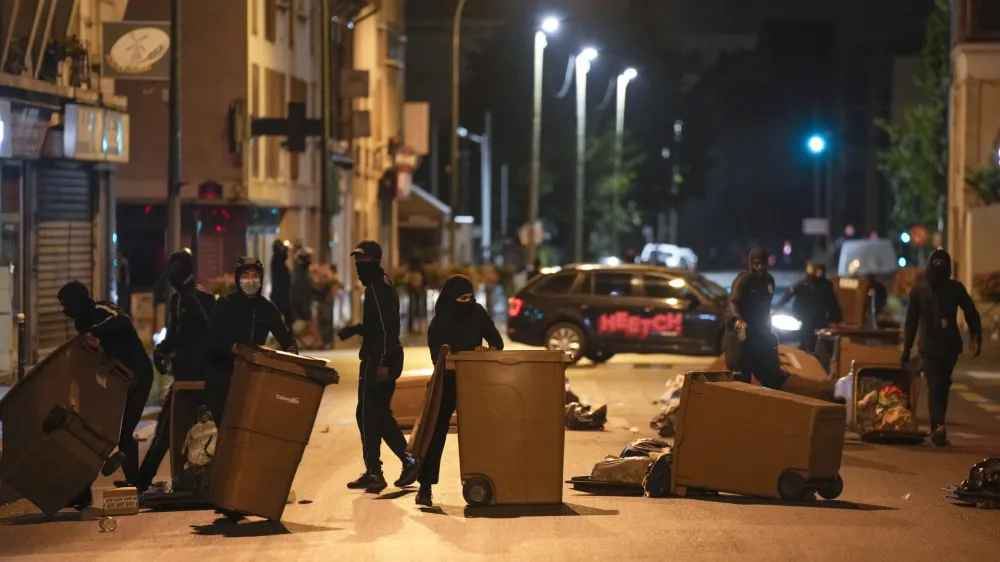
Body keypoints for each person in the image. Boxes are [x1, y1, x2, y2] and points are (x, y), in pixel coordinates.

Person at [58, 281, 154, 508]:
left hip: (138, 376)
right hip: (114, 381)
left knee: (124, 433)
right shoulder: (80, 323)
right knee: (95, 435)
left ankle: (136, 485)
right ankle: (83, 493)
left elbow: (122, 320)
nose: (64, 310)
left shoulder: (101, 310)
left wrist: (96, 331)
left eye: (66, 304)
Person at [338, 240, 420, 493]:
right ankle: (401, 463)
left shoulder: (376, 288)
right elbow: (379, 325)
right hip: (384, 354)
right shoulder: (380, 284)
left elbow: (386, 328)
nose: (358, 266)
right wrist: (355, 330)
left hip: (380, 357)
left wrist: (382, 361)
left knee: (368, 414)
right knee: (376, 414)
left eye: (363, 261)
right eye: (356, 261)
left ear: (374, 261)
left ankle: (380, 470)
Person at [416, 274, 504, 507]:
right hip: (448, 382)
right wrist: (457, 357)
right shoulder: (439, 323)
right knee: (436, 432)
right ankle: (425, 487)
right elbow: (439, 359)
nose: (468, 301)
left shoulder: (477, 313)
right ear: (451, 298)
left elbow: (497, 342)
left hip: (476, 382)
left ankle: (490, 479)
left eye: (470, 297)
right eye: (462, 297)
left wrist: (485, 350)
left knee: (480, 431)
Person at [137, 249, 216, 492]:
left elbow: (212, 332)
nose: (171, 273)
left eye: (176, 268)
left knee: (171, 430)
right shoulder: (178, 298)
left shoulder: (197, 297)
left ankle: (144, 481)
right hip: (184, 376)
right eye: (169, 268)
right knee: (166, 428)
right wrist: (161, 352)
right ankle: (142, 481)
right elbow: (174, 335)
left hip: (198, 377)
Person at [901, 248, 981, 447]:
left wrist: (976, 337)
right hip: (928, 348)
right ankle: (938, 426)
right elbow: (911, 323)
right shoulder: (919, 291)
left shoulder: (955, 289)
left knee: (942, 385)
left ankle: (938, 424)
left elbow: (971, 312)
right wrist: (906, 350)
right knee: (935, 385)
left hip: (950, 347)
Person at [206, 257, 298, 424]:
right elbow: (210, 341)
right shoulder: (225, 304)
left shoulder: (266, 308)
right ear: (238, 279)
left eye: (255, 275)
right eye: (246, 276)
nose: (251, 280)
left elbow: (285, 337)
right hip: (223, 376)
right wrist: (232, 348)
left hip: (252, 376)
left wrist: (292, 354)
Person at [724, 248, 784, 388]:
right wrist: (738, 319)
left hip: (759, 332)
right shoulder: (743, 280)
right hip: (741, 332)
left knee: (771, 374)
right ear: (750, 264)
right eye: (755, 264)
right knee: (741, 374)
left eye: (762, 264)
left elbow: (765, 306)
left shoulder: (769, 280)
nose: (759, 268)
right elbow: (733, 302)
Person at [292, 247, 322, 348]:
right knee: (308, 321)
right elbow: (307, 285)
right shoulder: (300, 271)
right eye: (309, 258)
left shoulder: (301, 270)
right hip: (301, 300)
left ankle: (311, 342)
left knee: (305, 323)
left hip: (302, 300)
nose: (311, 260)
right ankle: (318, 342)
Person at [270, 239, 294, 330]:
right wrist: (286, 248)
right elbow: (283, 256)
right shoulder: (276, 260)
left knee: (285, 316)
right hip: (280, 293)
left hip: (280, 293)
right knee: (287, 315)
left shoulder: (276, 260)